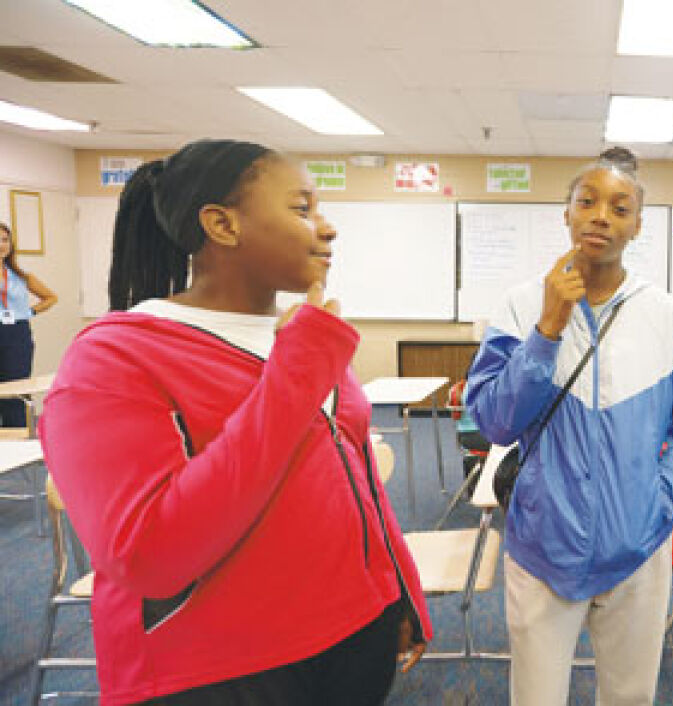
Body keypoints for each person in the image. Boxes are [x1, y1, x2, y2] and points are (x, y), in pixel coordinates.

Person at [39, 140, 430, 705]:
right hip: (224, 671)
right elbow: (147, 554)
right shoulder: (113, 357)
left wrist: (397, 590)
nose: (327, 228)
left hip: (352, 635)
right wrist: (298, 369)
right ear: (222, 225)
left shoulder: (302, 331)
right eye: (301, 209)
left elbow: (355, 476)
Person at [466, 148, 673, 705]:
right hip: (543, 545)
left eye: (619, 207)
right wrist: (547, 330)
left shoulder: (666, 315)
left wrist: (661, 499)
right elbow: (493, 423)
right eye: (588, 201)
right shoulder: (519, 305)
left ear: (637, 225)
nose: (601, 215)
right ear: (567, 213)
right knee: (535, 697)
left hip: (639, 544)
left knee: (630, 697)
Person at [0, 221, 56, 427]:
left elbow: (50, 297)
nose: (1, 245)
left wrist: (29, 311)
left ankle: (19, 439)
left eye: (5, 240)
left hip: (16, 334)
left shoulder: (21, 276)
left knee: (16, 391)